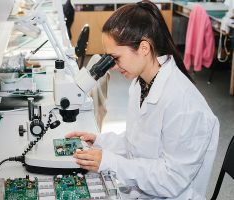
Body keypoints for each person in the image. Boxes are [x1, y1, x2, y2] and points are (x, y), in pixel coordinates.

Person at [65, 1, 219, 199]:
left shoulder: (183, 103)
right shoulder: (141, 84)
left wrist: (110, 161)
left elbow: (172, 180)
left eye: (116, 58)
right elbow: (136, 142)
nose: (112, 66)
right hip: (143, 191)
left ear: (144, 48)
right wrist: (100, 141)